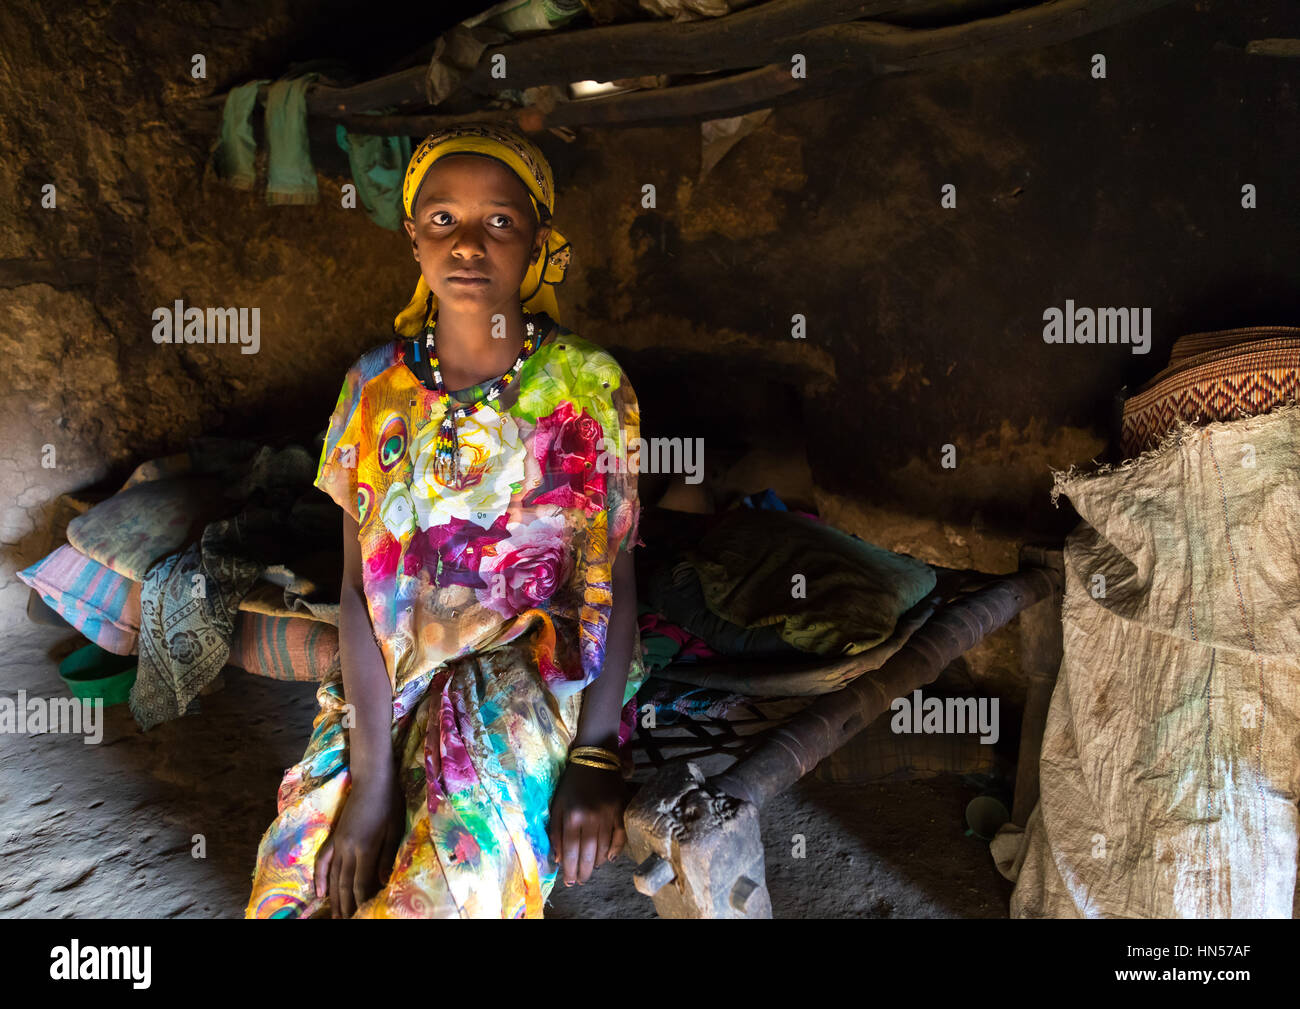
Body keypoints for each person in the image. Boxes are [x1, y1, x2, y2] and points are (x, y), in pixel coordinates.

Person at [246, 122, 647, 918]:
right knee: (295, 886)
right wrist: (368, 783)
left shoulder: (587, 385)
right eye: (443, 220)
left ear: (536, 242)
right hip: (391, 681)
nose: (468, 242)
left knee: (433, 897)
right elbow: (359, 597)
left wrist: (598, 753)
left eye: (499, 220)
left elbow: (618, 584)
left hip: (532, 679)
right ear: (413, 238)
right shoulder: (370, 391)